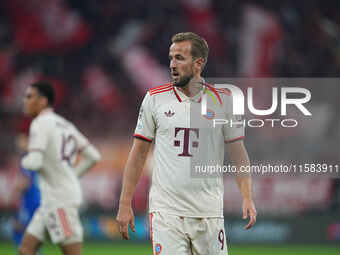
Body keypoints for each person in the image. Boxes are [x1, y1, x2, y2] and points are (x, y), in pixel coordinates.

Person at [117, 32, 257, 255]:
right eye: (171, 58)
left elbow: (239, 154)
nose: (172, 64)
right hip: (166, 214)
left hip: (208, 213)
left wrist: (247, 197)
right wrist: (125, 203)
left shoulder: (224, 101)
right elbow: (138, 154)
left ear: (198, 63)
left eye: (180, 58)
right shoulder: (154, 98)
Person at [19, 81, 101, 255]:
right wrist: (70, 176)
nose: (24, 101)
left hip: (60, 203)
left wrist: (22, 160)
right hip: (52, 201)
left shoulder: (39, 124)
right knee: (26, 249)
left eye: (29, 96)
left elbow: (34, 161)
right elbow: (93, 156)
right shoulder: (65, 125)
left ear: (42, 101)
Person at [12, 132, 41, 255]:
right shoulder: (34, 158)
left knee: (20, 231)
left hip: (31, 203)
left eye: (21, 141)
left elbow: (26, 182)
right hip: (35, 201)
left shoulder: (28, 160)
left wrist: (16, 190)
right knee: (28, 234)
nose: (18, 144)